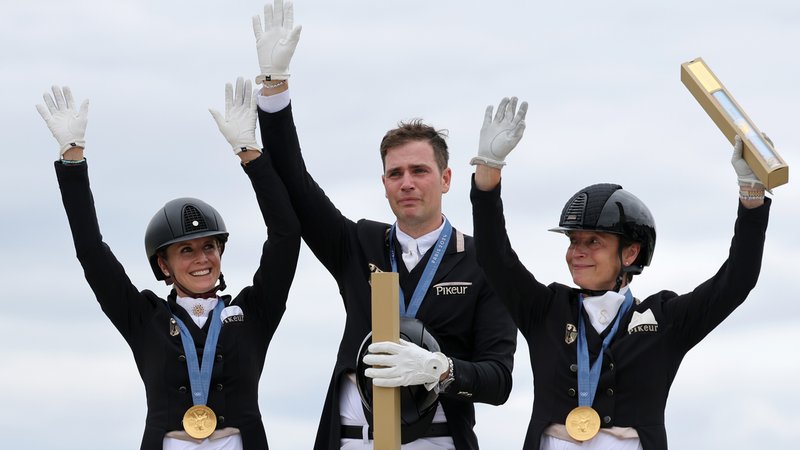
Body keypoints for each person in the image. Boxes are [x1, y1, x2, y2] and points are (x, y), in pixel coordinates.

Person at [248, 1, 517, 448]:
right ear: (384, 183)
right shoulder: (359, 244)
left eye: (419, 171)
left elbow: (499, 380)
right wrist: (274, 93)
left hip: (438, 440)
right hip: (354, 439)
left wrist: (441, 368)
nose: (407, 183)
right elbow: (295, 184)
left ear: (446, 178)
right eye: (396, 174)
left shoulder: (481, 264)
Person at [469, 97, 772, 449]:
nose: (576, 252)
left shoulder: (666, 321)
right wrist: (488, 172)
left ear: (630, 252)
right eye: (573, 240)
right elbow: (494, 257)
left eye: (593, 241)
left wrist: (751, 197)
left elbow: (737, 281)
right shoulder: (544, 310)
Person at [38, 78, 301, 450]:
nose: (202, 259)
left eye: (209, 247)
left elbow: (286, 236)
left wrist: (250, 155)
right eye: (186, 251)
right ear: (163, 265)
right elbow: (92, 253)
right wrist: (72, 161)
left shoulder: (253, 311)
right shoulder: (144, 317)